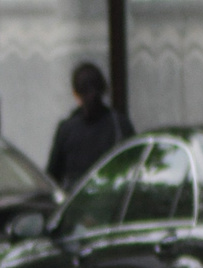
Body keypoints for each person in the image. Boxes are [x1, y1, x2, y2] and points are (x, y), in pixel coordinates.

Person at [45, 62, 135, 191]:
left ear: (75, 94)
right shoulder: (120, 124)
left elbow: (52, 177)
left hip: (76, 204)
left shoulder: (67, 129)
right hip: (111, 201)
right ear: (104, 89)